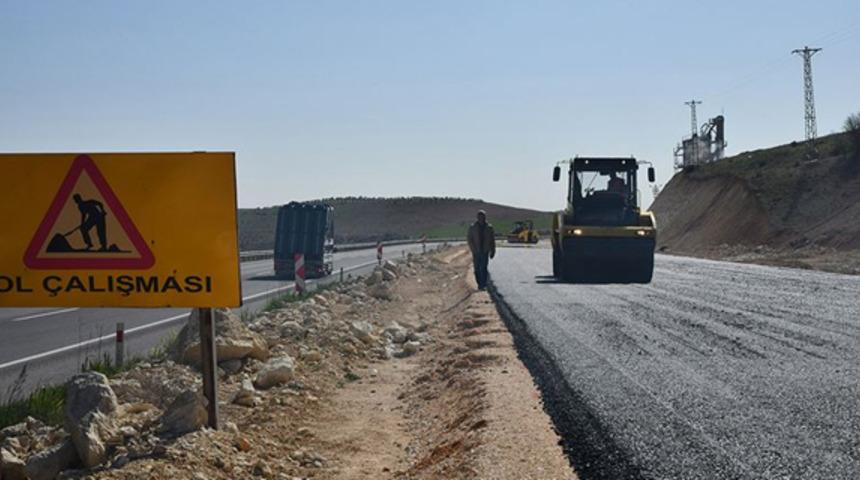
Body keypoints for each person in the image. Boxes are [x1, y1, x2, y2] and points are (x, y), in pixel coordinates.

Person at [467, 210, 496, 290]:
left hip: (485, 251)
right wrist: (473, 249)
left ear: (485, 217)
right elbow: (470, 239)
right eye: (480, 216)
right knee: (477, 268)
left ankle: (483, 284)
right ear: (477, 217)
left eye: (483, 216)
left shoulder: (489, 227)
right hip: (476, 251)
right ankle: (479, 283)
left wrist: (493, 250)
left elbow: (492, 240)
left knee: (483, 268)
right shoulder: (473, 227)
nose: (481, 218)